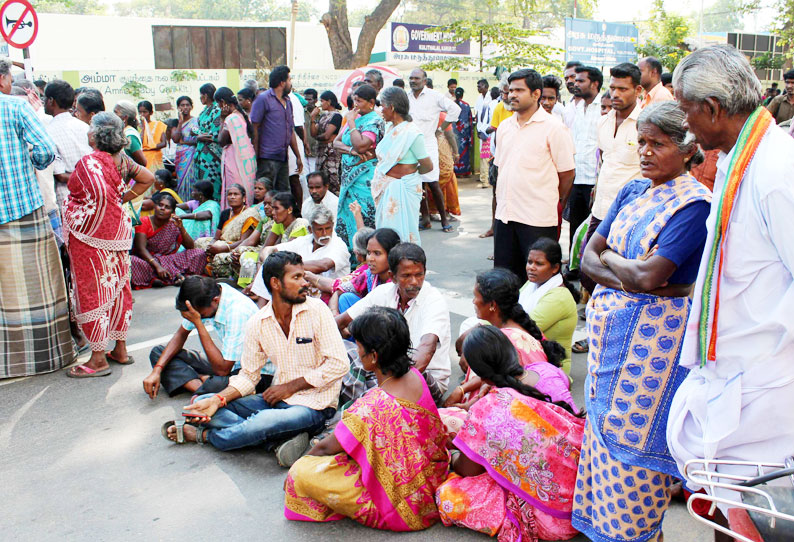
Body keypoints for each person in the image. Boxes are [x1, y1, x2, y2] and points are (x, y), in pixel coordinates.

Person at [572, 101, 712, 542]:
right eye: (642, 143)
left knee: (634, 449)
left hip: (653, 349)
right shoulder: (634, 190)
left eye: (659, 144)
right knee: (601, 438)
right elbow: (585, 258)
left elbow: (649, 275)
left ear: (689, 149)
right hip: (610, 336)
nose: (646, 152)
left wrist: (614, 262)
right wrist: (626, 270)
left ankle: (637, 534)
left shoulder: (695, 206)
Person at [666, 45, 794, 518]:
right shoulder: (740, 158)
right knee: (725, 503)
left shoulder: (778, 168)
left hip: (766, 379)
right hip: (735, 374)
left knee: (754, 513)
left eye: (685, 110)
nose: (684, 125)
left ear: (714, 109)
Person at [169, 251, 348, 468]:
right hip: (275, 399)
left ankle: (205, 437)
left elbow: (339, 364)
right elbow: (248, 376)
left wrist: (290, 387)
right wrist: (217, 400)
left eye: (304, 276)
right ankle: (275, 441)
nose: (305, 283)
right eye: (297, 277)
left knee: (262, 421)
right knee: (200, 403)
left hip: (315, 405)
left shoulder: (317, 310)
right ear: (275, 283)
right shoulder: (258, 322)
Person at [285, 306, 449, 530]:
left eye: (359, 346)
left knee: (301, 474)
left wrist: (302, 464)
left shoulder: (371, 406)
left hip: (403, 508)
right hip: (433, 480)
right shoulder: (416, 376)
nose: (356, 351)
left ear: (373, 356)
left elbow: (325, 448)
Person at [436, 325, 584, 542]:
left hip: (555, 520)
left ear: (483, 377)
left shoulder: (488, 408)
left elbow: (468, 470)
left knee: (447, 495)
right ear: (512, 352)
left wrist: (454, 452)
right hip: (584, 500)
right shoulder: (544, 372)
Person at [64, 112, 155, 377]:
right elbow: (148, 178)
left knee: (93, 290)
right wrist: (122, 198)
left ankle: (98, 359)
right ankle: (121, 350)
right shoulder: (123, 160)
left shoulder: (88, 163)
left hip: (91, 236)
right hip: (118, 232)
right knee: (117, 288)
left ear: (97, 134)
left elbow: (79, 190)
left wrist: (111, 200)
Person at [0, 59, 74, 378]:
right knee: (38, 286)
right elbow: (45, 151)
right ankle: (42, 358)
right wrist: (22, 162)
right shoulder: (16, 108)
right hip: (22, 207)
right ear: (2, 79)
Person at [336, 243, 451, 404]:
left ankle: (363, 407)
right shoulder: (384, 292)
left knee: (362, 376)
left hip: (421, 377)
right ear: (392, 276)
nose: (414, 282)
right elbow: (339, 322)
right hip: (387, 370)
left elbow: (426, 349)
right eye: (406, 276)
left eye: (419, 275)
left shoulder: (434, 301)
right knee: (347, 352)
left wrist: (388, 390)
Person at [493, 68, 576, 283]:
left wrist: (550, 200)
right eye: (511, 90)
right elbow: (501, 169)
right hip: (505, 216)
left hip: (537, 218)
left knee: (538, 281)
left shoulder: (554, 128)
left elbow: (567, 173)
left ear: (536, 94)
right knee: (505, 280)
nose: (512, 95)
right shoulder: (504, 127)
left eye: (519, 90)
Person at [578, 63, 644, 308]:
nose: (615, 94)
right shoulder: (603, 123)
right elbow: (603, 162)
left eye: (623, 89)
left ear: (637, 90)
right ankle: (598, 312)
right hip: (601, 210)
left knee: (621, 272)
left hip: (631, 214)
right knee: (588, 269)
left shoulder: (645, 123)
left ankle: (613, 315)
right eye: (613, 88)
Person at [467, 268, 575, 408]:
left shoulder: (502, 341)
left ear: (493, 305)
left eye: (476, 296)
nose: (473, 301)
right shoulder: (518, 329)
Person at [144, 276, 263, 399]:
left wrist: (198, 323)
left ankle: (200, 385)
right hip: (228, 361)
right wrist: (157, 370)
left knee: (217, 383)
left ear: (215, 300)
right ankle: (202, 385)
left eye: (201, 315)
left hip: (252, 372)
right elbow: (181, 334)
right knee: (159, 353)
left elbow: (222, 371)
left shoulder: (238, 311)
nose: (199, 317)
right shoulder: (211, 293)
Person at [372, 86, 433, 245]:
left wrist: (410, 174)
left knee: (404, 233)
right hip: (388, 187)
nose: (380, 109)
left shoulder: (412, 133)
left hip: (404, 188)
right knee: (385, 234)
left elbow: (428, 165)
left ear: (391, 108)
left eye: (382, 105)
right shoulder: (390, 128)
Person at [251, 204, 350, 300]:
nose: (325, 233)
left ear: (332, 226)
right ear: (311, 229)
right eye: (320, 229)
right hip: (302, 288)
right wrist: (269, 260)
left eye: (328, 228)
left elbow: (323, 265)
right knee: (270, 266)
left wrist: (285, 265)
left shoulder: (339, 245)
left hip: (327, 293)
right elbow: (269, 249)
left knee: (280, 270)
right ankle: (262, 309)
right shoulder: (304, 240)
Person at [333, 84, 385, 255]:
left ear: (371, 103)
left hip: (365, 181)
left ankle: (365, 256)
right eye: (354, 100)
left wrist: (352, 123)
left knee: (364, 217)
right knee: (347, 217)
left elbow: (362, 145)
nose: (355, 105)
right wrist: (350, 150)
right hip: (349, 180)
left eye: (359, 101)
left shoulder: (374, 120)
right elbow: (336, 143)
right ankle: (348, 258)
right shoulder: (353, 118)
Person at [408, 68, 460, 233]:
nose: (413, 81)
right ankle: (425, 219)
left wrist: (441, 129)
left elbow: (455, 110)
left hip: (428, 143)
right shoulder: (406, 97)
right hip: (410, 144)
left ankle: (444, 220)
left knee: (432, 182)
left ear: (424, 81)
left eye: (416, 78)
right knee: (417, 183)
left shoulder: (435, 96)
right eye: (411, 78)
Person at [519, 238, 580, 374]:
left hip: (550, 368)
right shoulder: (532, 283)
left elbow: (524, 329)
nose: (531, 267)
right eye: (529, 262)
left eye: (539, 264)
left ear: (555, 268)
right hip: (528, 352)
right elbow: (510, 307)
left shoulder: (559, 297)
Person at [317, 227, 400, 315]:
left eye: (377, 253)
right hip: (369, 321)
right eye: (368, 253)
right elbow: (338, 291)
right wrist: (334, 313)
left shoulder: (399, 281)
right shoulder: (369, 275)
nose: (370, 259)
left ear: (391, 254)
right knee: (346, 298)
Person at [130, 193, 206, 288]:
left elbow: (190, 247)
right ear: (155, 207)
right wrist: (158, 266)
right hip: (147, 261)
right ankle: (173, 277)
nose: (162, 208)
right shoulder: (144, 221)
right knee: (131, 261)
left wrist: (181, 228)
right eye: (160, 205)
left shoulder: (173, 224)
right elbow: (140, 249)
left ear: (173, 212)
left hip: (168, 260)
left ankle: (160, 278)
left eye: (167, 207)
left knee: (199, 253)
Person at [251, 65, 303, 192]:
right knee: (265, 195)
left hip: (283, 157)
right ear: (282, 83)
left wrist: (298, 156)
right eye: (289, 80)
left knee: (283, 195)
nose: (291, 84)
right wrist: (256, 156)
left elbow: (290, 130)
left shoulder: (288, 101)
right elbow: (254, 128)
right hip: (267, 157)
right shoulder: (263, 99)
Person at [44, 79, 93, 209]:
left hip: (68, 198)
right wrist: (90, 178)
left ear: (51, 101)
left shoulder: (48, 132)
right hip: (92, 194)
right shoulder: (85, 127)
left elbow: (60, 175)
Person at [568, 66, 603, 249]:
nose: (576, 84)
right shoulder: (577, 107)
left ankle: (588, 270)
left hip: (594, 179)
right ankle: (574, 267)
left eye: (581, 81)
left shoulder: (604, 107)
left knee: (594, 229)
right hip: (577, 177)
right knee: (575, 225)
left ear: (595, 84)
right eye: (576, 80)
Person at [195, 183, 260, 277]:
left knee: (218, 256)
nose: (232, 197)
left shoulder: (249, 215)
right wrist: (211, 245)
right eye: (230, 194)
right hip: (222, 242)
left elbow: (245, 241)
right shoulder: (225, 213)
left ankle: (211, 267)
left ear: (244, 198)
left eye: (236, 194)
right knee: (199, 242)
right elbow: (216, 237)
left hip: (236, 246)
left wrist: (223, 248)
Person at [214, 87, 257, 208]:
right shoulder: (243, 116)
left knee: (234, 191)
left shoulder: (231, 119)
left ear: (222, 102)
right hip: (246, 161)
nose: (218, 106)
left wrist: (222, 119)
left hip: (234, 160)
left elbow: (221, 141)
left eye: (218, 103)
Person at [426, 112, 462, 219]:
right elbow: (450, 135)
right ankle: (445, 212)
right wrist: (456, 152)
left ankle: (428, 212)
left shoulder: (423, 113)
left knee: (427, 180)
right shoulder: (442, 116)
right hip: (441, 149)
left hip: (426, 146)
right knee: (447, 177)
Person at [310, 90, 343, 195]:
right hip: (321, 151)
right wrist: (312, 118)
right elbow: (314, 133)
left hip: (331, 153)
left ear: (329, 102)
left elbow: (327, 135)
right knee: (321, 179)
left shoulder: (336, 116)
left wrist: (320, 137)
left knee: (332, 180)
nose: (321, 104)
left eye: (322, 101)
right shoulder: (323, 116)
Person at [194, 83, 223, 199]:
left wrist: (198, 134)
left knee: (212, 183)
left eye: (201, 95)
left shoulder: (217, 110)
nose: (200, 98)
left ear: (205, 95)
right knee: (202, 185)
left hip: (212, 156)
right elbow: (197, 129)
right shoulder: (204, 110)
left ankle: (214, 208)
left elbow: (214, 135)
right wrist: (198, 134)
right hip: (202, 153)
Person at [172, 95, 198, 200]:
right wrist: (180, 122)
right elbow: (175, 139)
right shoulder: (176, 122)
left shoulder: (196, 121)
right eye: (182, 105)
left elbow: (197, 139)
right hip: (180, 156)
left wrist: (184, 141)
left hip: (191, 156)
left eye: (187, 105)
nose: (185, 107)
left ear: (191, 107)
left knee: (191, 180)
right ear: (178, 108)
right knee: (181, 182)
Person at [113, 100, 147, 168]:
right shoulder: (123, 131)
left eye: (116, 112)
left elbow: (143, 162)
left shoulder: (129, 135)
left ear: (125, 117)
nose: (113, 115)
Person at [138, 100, 167, 171]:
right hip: (142, 158)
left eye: (145, 112)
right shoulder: (137, 127)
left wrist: (149, 148)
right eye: (140, 112)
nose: (142, 115)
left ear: (151, 113)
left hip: (155, 158)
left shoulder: (159, 124)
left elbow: (163, 143)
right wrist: (143, 128)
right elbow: (139, 143)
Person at [474, 78, 492, 189]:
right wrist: (478, 130)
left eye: (480, 86)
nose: (478, 88)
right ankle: (484, 179)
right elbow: (477, 115)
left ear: (486, 87)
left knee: (488, 156)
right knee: (484, 155)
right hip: (481, 129)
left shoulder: (491, 98)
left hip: (489, 130)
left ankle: (487, 179)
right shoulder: (479, 98)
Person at [452, 87, 473, 176]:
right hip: (464, 134)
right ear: (462, 95)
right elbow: (470, 120)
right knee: (463, 153)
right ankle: (464, 172)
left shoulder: (451, 105)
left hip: (453, 133)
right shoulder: (466, 105)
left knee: (454, 151)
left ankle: (455, 171)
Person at [563, 60, 583, 128]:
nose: (569, 81)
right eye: (566, 78)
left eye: (573, 76)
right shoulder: (567, 107)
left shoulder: (595, 104)